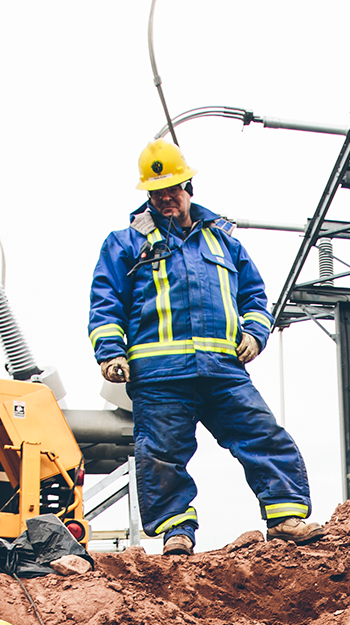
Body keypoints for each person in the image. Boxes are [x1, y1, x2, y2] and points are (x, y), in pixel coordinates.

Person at [90, 139, 324, 556]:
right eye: (158, 193)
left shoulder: (223, 242)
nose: (166, 200)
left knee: (262, 434)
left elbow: (254, 296)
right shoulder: (125, 243)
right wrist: (109, 350)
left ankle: (285, 516)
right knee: (161, 455)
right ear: (148, 195)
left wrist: (254, 334)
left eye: (173, 191)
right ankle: (176, 532)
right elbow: (106, 299)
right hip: (159, 374)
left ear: (189, 188)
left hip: (221, 369)